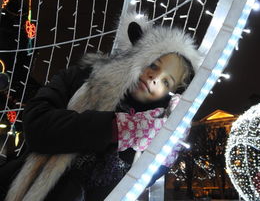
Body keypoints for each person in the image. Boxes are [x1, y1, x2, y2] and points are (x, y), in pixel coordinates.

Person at [2, 13, 202, 201]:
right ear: (139, 56)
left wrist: (163, 153)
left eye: (167, 81)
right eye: (153, 65)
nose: (155, 78)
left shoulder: (152, 128)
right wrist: (117, 128)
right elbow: (37, 126)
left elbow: (129, 187)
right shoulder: (80, 78)